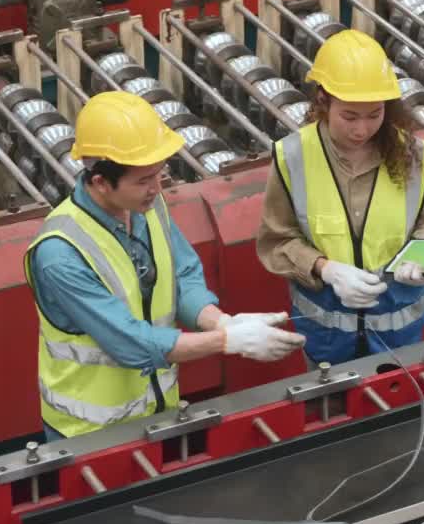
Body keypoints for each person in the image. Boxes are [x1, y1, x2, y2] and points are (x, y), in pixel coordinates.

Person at [26, 91, 306, 441]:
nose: (157, 188)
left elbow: (182, 277)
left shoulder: (146, 206)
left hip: (159, 414)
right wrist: (226, 341)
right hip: (90, 434)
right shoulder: (61, 254)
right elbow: (129, 343)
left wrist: (219, 320)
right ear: (100, 182)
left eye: (160, 174)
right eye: (144, 180)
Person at [256, 29, 424, 367]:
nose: (361, 129)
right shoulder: (293, 157)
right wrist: (326, 270)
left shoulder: (412, 153)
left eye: (374, 115)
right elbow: (276, 241)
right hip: (326, 344)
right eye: (350, 116)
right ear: (323, 101)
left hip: (398, 340)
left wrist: (423, 258)